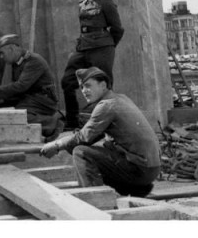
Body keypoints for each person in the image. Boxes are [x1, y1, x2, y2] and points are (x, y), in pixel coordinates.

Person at [40, 67, 160, 197]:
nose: (84, 91)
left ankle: (95, 198)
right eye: (81, 87)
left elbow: (83, 138)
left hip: (139, 170)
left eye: (88, 86)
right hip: (151, 169)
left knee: (81, 152)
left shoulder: (106, 105)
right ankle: (134, 189)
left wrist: (57, 144)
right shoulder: (121, 98)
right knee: (101, 150)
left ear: (103, 85)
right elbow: (94, 135)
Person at [60, 0, 124, 129]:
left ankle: (110, 125)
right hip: (83, 47)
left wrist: (108, 47)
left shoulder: (105, 2)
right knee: (67, 81)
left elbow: (117, 28)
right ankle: (72, 122)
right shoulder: (81, 5)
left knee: (103, 85)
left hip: (102, 47)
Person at [0, 34, 63, 141]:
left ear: (11, 49)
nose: (1, 57)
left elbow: (20, 86)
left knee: (18, 117)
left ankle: (54, 123)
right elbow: (17, 89)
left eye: (2, 53)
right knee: (2, 110)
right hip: (31, 98)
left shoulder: (34, 61)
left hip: (43, 100)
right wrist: (0, 101)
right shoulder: (18, 63)